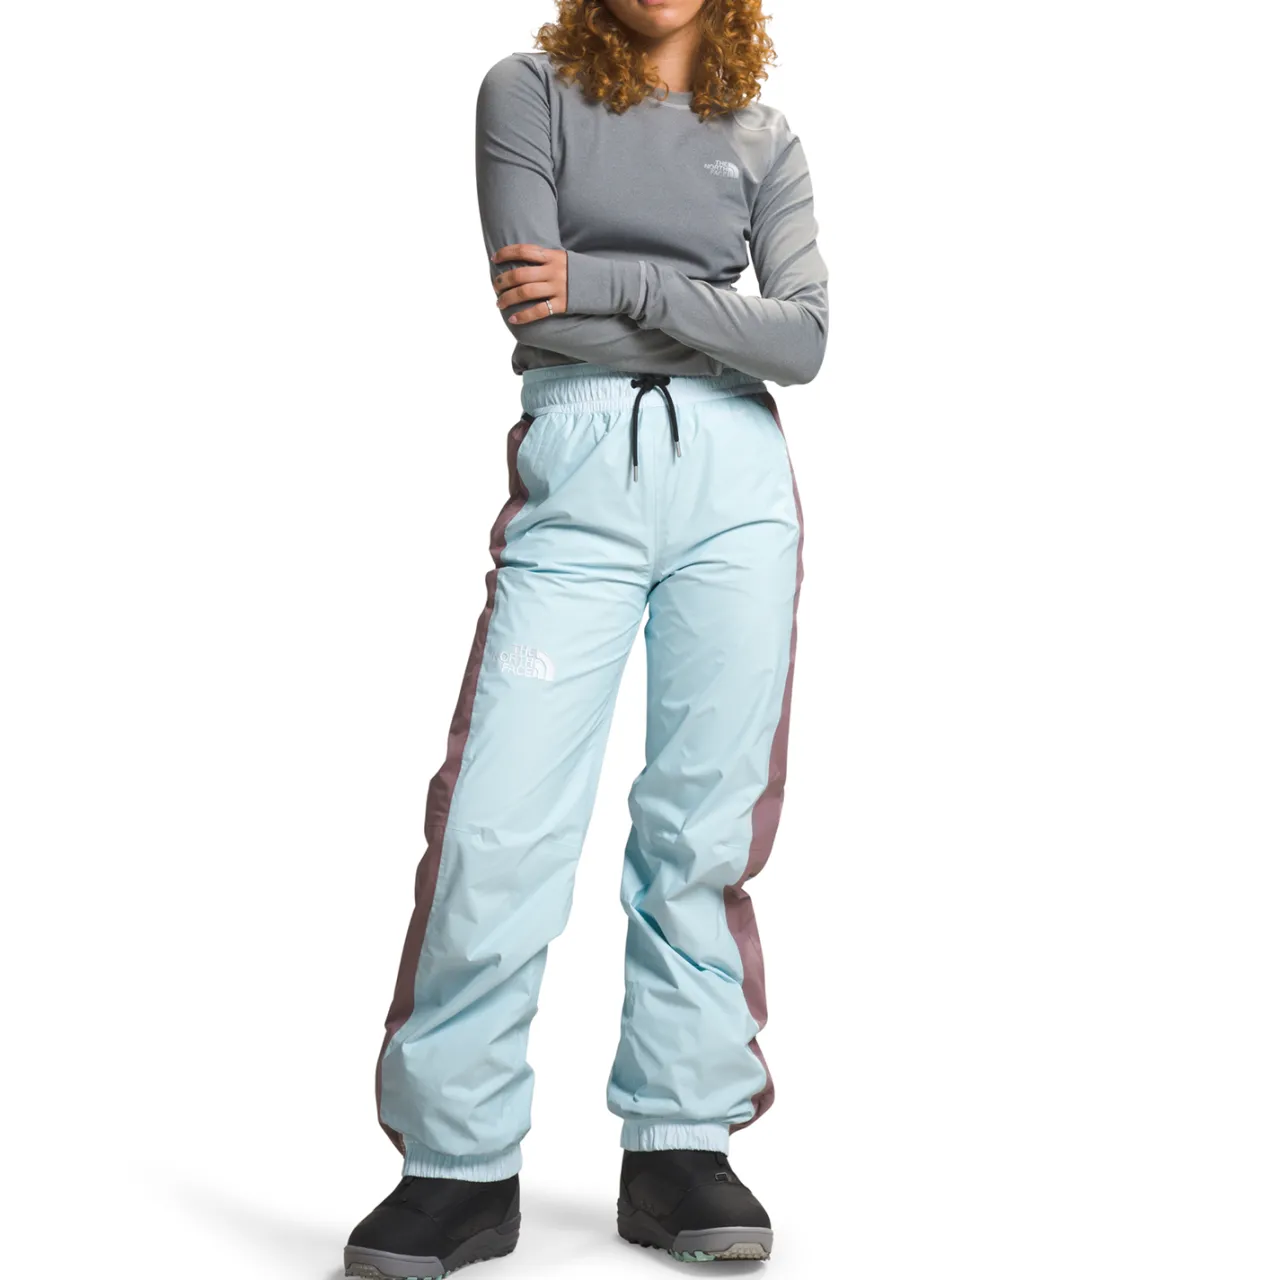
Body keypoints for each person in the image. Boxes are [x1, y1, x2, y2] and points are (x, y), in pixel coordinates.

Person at [345, 0, 828, 1273]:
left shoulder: (763, 134)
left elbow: (806, 339)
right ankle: (456, 1161)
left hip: (738, 485)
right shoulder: (527, 92)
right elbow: (534, 317)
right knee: (497, 817)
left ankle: (679, 1143)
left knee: (704, 820)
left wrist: (612, 281)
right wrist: (711, 315)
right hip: (581, 456)